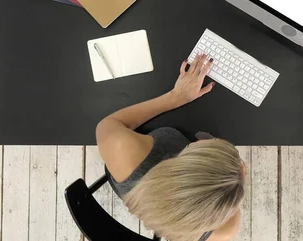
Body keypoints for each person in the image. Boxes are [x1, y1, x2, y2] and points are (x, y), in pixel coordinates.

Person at [96, 54, 247, 241]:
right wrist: (232, 181)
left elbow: (111, 123)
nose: (204, 140)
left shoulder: (124, 150)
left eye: (206, 145)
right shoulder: (225, 231)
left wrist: (176, 97)